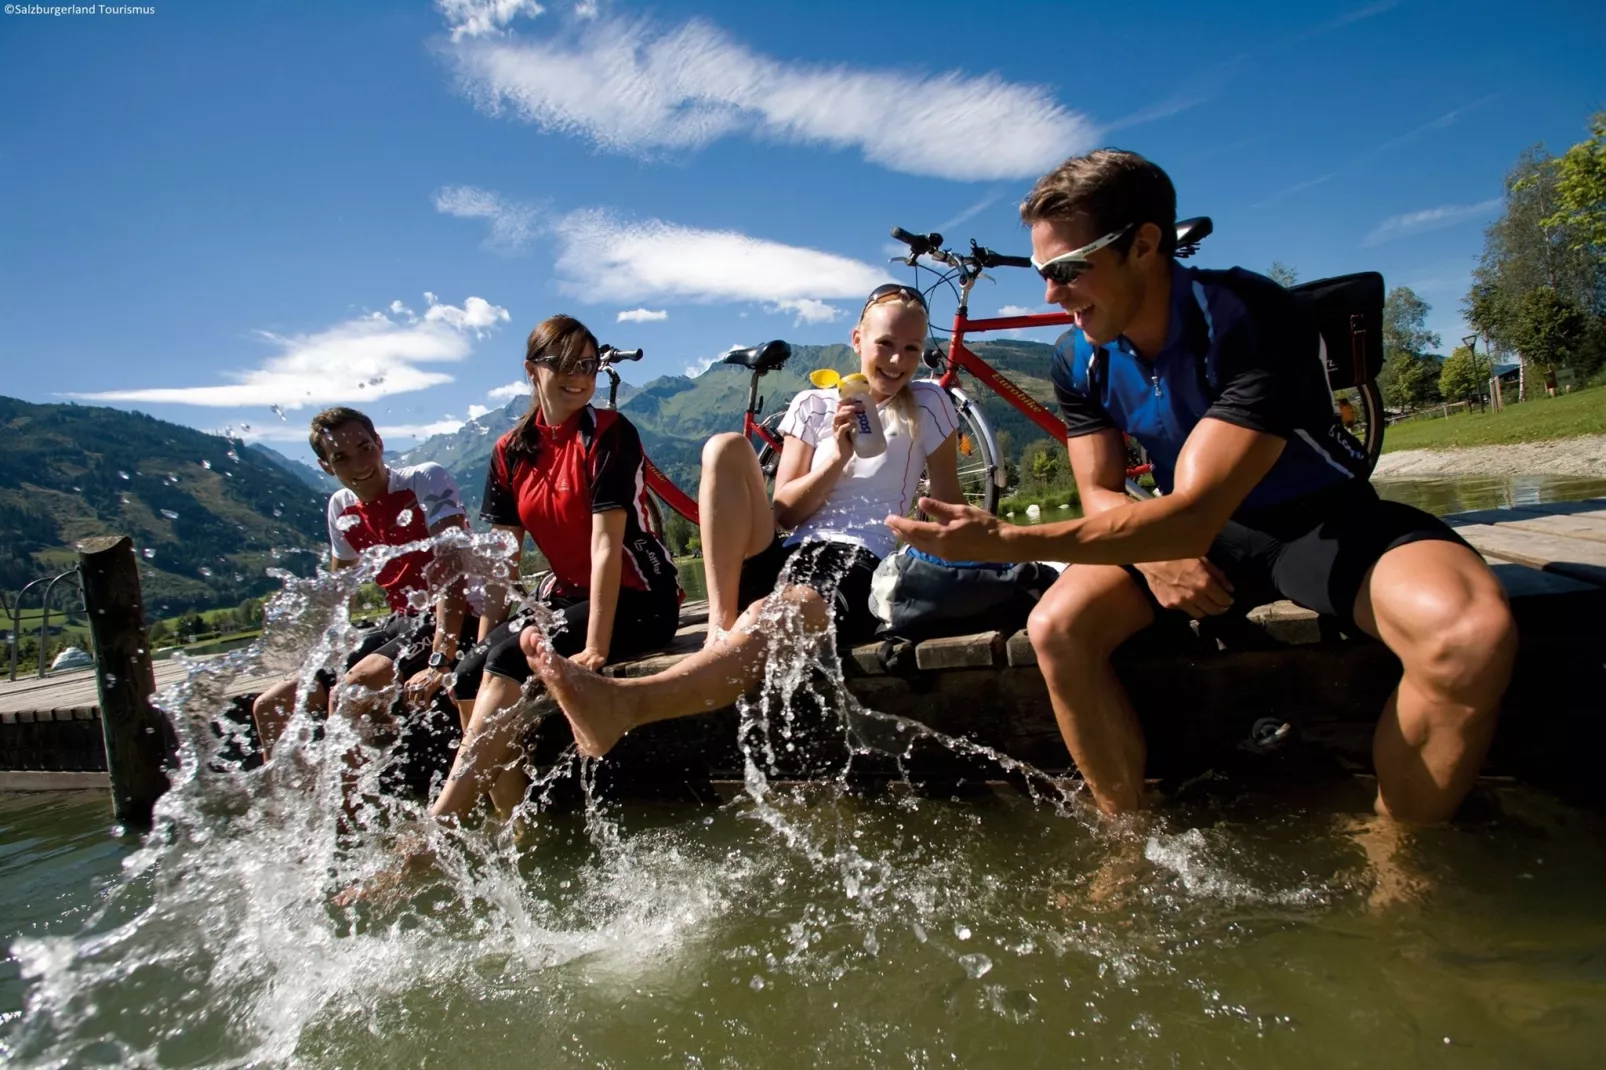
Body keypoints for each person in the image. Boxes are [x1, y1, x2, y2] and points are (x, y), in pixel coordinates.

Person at [884, 149, 1516, 826]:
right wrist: (1155, 554)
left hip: (1315, 524)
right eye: (1042, 272)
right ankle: (1128, 837)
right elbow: (1100, 492)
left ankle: (1402, 855)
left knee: (1470, 635)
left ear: (1145, 245)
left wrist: (1007, 541)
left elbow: (1192, 510)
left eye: (1067, 269)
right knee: (1057, 627)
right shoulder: (1077, 357)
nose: (1050, 294)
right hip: (1185, 533)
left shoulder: (1249, 314)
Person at [519, 285, 965, 758]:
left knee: (769, 614)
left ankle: (625, 705)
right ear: (857, 339)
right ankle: (719, 624)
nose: (897, 360)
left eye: (912, 349)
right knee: (725, 447)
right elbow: (786, 511)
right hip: (791, 549)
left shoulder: (929, 404)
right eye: (885, 344)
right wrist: (836, 457)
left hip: (861, 562)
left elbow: (949, 505)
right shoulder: (813, 405)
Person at [429, 314, 680, 820]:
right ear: (532, 370)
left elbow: (607, 545)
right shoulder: (509, 451)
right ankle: (511, 821)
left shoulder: (609, 433)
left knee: (508, 661)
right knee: (467, 674)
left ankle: (442, 823)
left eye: (588, 364)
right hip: (569, 598)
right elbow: (503, 559)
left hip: (639, 597)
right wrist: (482, 637)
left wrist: (596, 648)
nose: (580, 375)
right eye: (564, 363)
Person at [251, 407, 476, 759]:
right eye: (341, 457)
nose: (359, 465)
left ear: (380, 443)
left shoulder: (425, 479)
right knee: (270, 706)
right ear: (326, 465)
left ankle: (350, 811)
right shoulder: (340, 506)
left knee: (349, 693)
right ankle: (290, 811)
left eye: (365, 448)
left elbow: (453, 573)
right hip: (403, 622)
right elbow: (340, 592)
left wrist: (439, 659)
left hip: (460, 616)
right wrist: (315, 656)